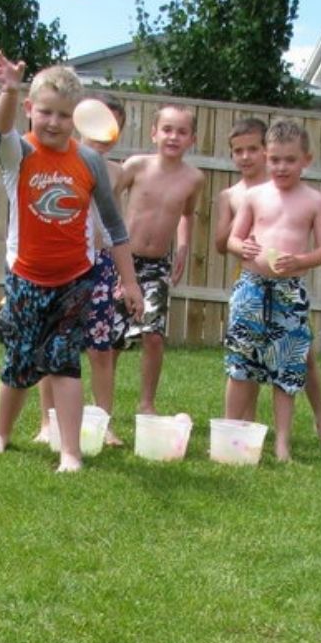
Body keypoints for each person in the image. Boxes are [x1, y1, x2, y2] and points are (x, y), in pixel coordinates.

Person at [0, 52, 143, 472]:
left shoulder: (88, 161)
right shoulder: (19, 154)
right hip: (26, 277)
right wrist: (10, 90)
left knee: (65, 363)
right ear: (31, 110)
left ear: (78, 120)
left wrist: (131, 283)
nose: (54, 122)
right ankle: (0, 433)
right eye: (46, 112)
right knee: (18, 362)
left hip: (76, 278)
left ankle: (69, 451)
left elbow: (115, 227)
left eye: (64, 115)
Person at [215, 116, 321, 446]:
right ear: (266, 158)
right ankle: (229, 434)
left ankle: (282, 441)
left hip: (289, 291)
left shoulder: (314, 200)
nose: (281, 167)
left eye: (290, 160)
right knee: (241, 361)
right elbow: (231, 240)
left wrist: (300, 261)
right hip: (251, 286)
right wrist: (242, 245)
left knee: (287, 366)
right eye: (274, 160)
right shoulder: (255, 196)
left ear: (306, 161)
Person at [35, 94, 128, 447]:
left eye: (114, 124)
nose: (105, 131)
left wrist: (125, 275)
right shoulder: (58, 164)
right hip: (63, 262)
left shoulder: (118, 172)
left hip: (101, 264)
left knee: (100, 349)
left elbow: (116, 226)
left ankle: (103, 423)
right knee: (54, 345)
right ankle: (47, 422)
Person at [117, 104, 205, 413]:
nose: (173, 137)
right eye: (167, 129)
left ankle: (146, 404)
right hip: (123, 261)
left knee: (153, 335)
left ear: (192, 139)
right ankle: (104, 406)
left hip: (157, 265)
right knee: (114, 338)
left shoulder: (194, 178)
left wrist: (183, 246)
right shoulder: (137, 166)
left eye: (182, 132)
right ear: (154, 133)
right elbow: (109, 198)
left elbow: (187, 214)